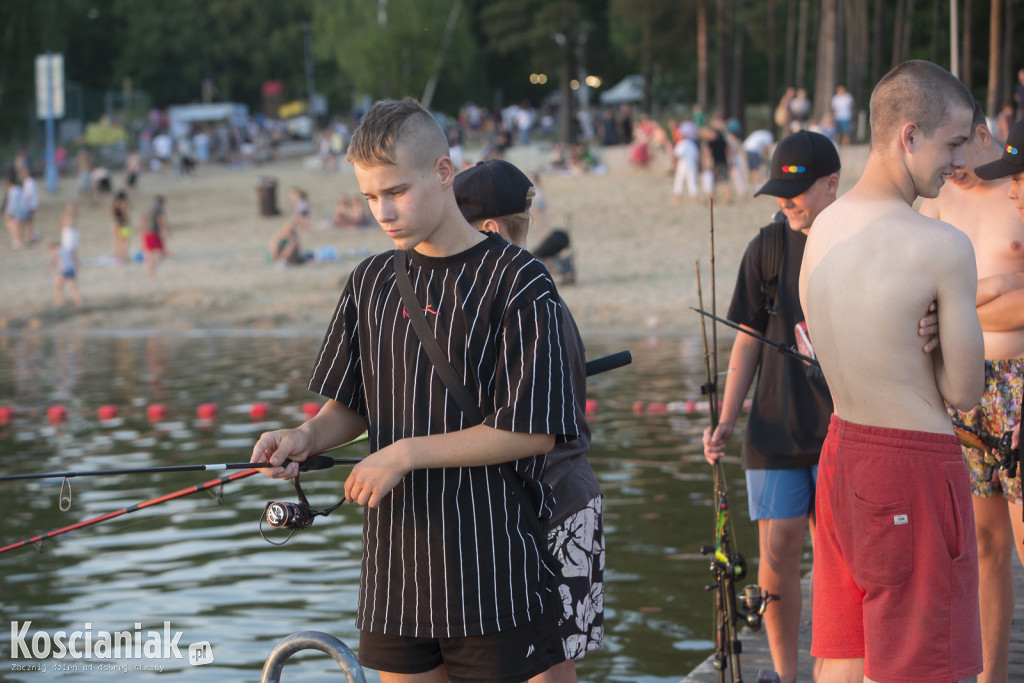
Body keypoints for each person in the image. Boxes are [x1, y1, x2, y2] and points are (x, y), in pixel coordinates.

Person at [250, 97, 576, 683]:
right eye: (370, 196)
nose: (383, 211)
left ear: (444, 173)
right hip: (394, 576)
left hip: (494, 568)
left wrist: (403, 454)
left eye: (395, 192)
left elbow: (531, 431)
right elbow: (350, 404)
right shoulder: (370, 281)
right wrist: (301, 435)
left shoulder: (519, 279)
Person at [799, 59, 984, 682]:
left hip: (843, 451)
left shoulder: (822, 229)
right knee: (920, 664)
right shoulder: (941, 246)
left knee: (844, 656)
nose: (958, 162)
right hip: (913, 466)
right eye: (952, 142)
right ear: (909, 135)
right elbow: (964, 390)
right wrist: (936, 346)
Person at [453, 158, 604, 683]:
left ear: (489, 230)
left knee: (546, 665)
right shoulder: (521, 295)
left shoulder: (520, 299)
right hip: (562, 496)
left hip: (549, 505)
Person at [702, 131, 838, 683]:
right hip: (773, 431)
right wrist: (726, 419)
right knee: (778, 559)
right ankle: (785, 677)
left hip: (841, 433)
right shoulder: (768, 246)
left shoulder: (856, 241)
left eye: (798, 190)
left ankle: (834, 670)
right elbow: (747, 338)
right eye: (779, 190)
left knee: (836, 565)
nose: (786, 201)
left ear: (832, 184)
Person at [918, 106, 1024, 683]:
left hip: (1019, 379)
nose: (953, 164)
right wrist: (1001, 284)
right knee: (984, 545)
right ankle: (993, 676)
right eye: (945, 151)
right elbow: (930, 298)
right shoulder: (938, 200)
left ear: (984, 135)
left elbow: (953, 306)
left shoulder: (1019, 187)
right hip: (965, 387)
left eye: (961, 148)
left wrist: (966, 303)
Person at [142, 195, 169, 278]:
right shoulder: (158, 208)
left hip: (146, 232)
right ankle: (151, 267)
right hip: (154, 232)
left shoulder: (147, 208)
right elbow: (160, 219)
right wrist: (166, 230)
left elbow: (140, 221)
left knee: (149, 253)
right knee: (162, 253)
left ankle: (150, 270)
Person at [110, 190, 131, 264]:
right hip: (124, 224)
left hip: (115, 224)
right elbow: (126, 215)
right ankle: (124, 257)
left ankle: (116, 256)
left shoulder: (114, 204)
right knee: (125, 242)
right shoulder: (124, 204)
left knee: (116, 241)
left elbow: (111, 214)